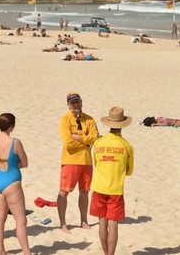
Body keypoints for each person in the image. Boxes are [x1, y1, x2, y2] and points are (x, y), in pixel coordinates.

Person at [90, 106, 134, 255]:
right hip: (115, 188)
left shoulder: (98, 143)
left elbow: (96, 164)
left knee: (102, 222)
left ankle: (105, 253)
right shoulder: (126, 146)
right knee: (113, 224)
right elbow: (129, 171)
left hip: (98, 187)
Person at [57, 92, 99, 233]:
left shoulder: (90, 119)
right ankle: (63, 223)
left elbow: (95, 138)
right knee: (64, 192)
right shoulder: (65, 119)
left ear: (81, 102)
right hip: (70, 160)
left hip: (86, 161)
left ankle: (84, 220)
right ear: (68, 105)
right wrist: (86, 140)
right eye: (73, 102)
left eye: (78, 102)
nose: (76, 105)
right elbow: (68, 143)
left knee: (84, 192)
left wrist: (79, 137)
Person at [0, 113, 31, 254]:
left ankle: (1, 250)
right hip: (11, 182)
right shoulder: (15, 142)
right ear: (11, 126)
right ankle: (27, 252)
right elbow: (25, 163)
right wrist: (16, 164)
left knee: (0, 219)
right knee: (20, 220)